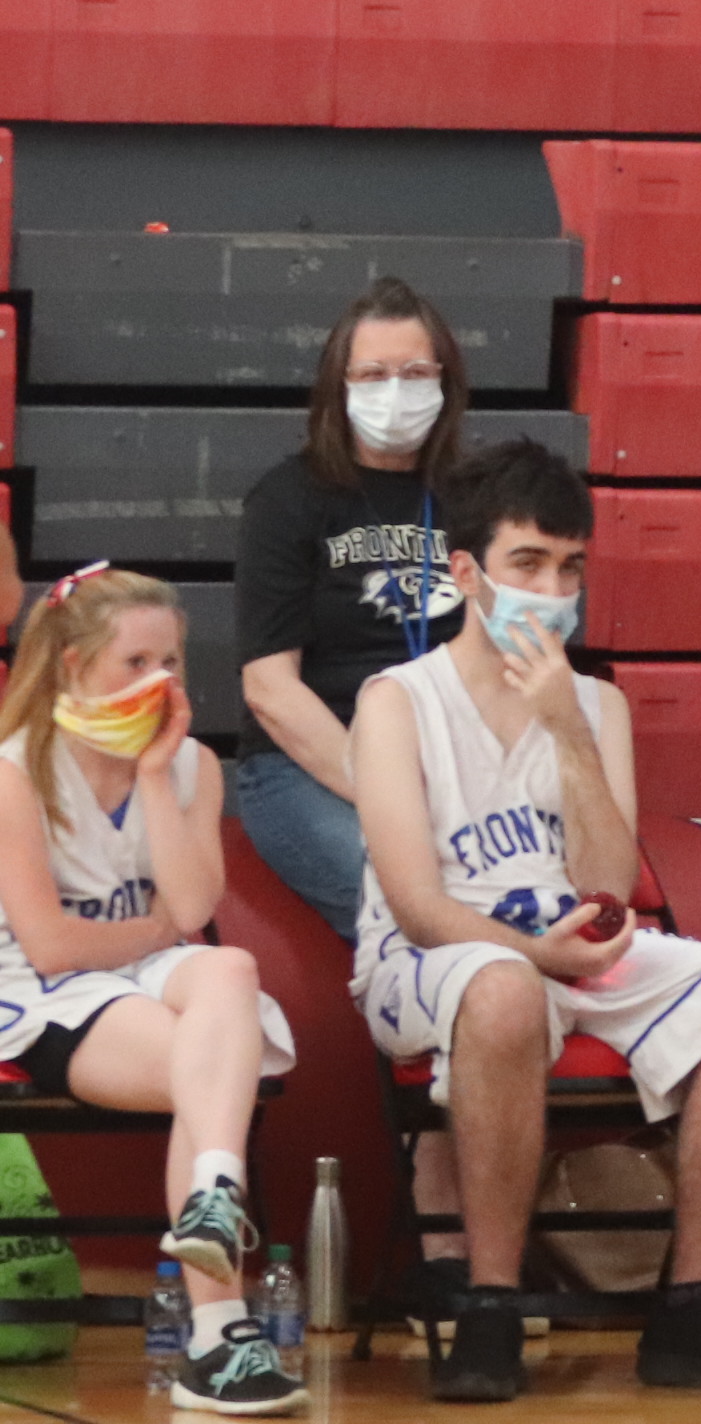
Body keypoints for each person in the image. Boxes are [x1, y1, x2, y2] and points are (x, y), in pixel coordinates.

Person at [350, 442, 701, 1404]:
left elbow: (607, 887)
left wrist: (566, 728)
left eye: (570, 567)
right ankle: (491, 1304)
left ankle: (695, 1301)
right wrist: (531, 954)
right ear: (466, 572)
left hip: (573, 946)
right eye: (528, 564)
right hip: (430, 961)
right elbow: (417, 906)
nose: (552, 589)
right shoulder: (396, 701)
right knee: (504, 990)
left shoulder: (595, 703)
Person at [0, 570, 298, 1413]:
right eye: (134, 660)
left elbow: (199, 910)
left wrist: (159, 775)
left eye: (169, 659)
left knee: (231, 969)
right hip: (39, 992)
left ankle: (211, 1197)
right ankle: (220, 1337)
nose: (158, 681)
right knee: (209, 1065)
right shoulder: (14, 772)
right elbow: (54, 944)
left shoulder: (192, 763)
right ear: (69, 665)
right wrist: (157, 931)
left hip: (148, 977)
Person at [235, 278, 470, 931]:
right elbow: (270, 691)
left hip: (444, 761)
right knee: (410, 901)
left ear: (445, 383)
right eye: (372, 374)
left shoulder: (473, 498)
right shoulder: (288, 499)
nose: (395, 391)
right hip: (309, 767)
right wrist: (387, 793)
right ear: (340, 387)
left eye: (415, 372)